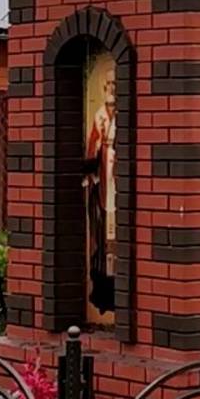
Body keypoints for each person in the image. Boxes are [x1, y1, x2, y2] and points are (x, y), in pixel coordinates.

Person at [84, 71, 118, 322]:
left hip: (117, 178)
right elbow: (92, 147)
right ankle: (101, 292)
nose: (112, 88)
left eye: (115, 83)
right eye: (108, 84)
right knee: (101, 237)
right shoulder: (99, 115)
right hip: (103, 179)